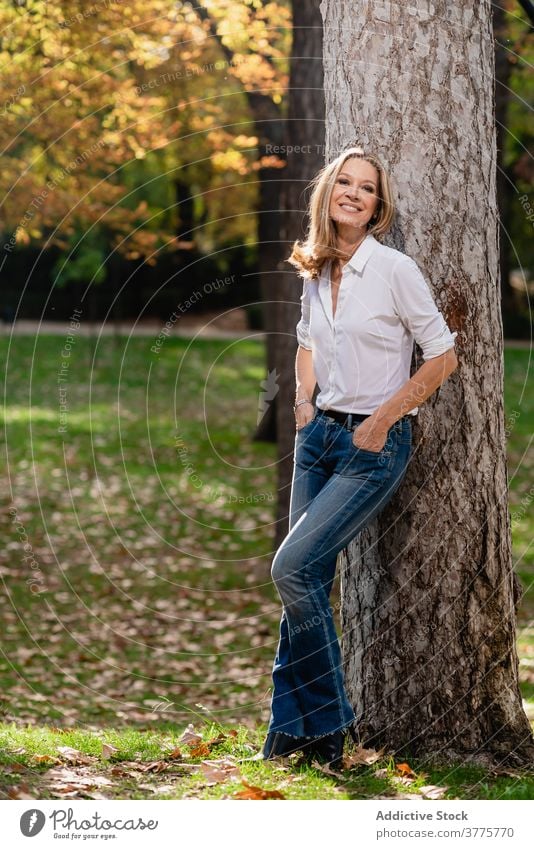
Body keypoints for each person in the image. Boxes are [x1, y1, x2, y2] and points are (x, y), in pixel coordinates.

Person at [262, 146, 459, 768]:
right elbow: (304, 344)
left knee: (290, 570)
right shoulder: (315, 268)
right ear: (327, 194)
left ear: (378, 207)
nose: (352, 193)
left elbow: (443, 356)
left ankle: (326, 724)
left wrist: (382, 419)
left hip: (371, 446)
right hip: (317, 439)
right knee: (308, 580)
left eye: (365, 188)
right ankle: (296, 734)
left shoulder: (395, 270)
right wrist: (302, 405)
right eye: (342, 183)